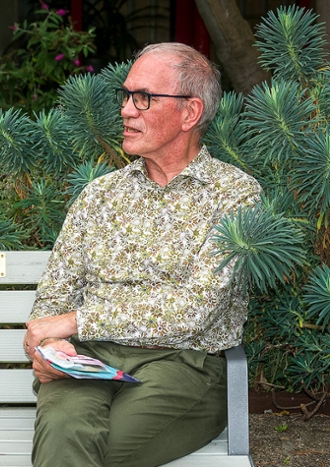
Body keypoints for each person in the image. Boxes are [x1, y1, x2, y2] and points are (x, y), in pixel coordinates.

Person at [23, 42, 262, 467]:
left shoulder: (235, 197)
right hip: (88, 360)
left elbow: (193, 309)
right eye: (127, 95)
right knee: (64, 435)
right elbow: (54, 296)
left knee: (77, 451)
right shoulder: (100, 195)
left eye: (144, 98)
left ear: (189, 113)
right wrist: (53, 346)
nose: (127, 110)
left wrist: (78, 320)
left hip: (184, 365)